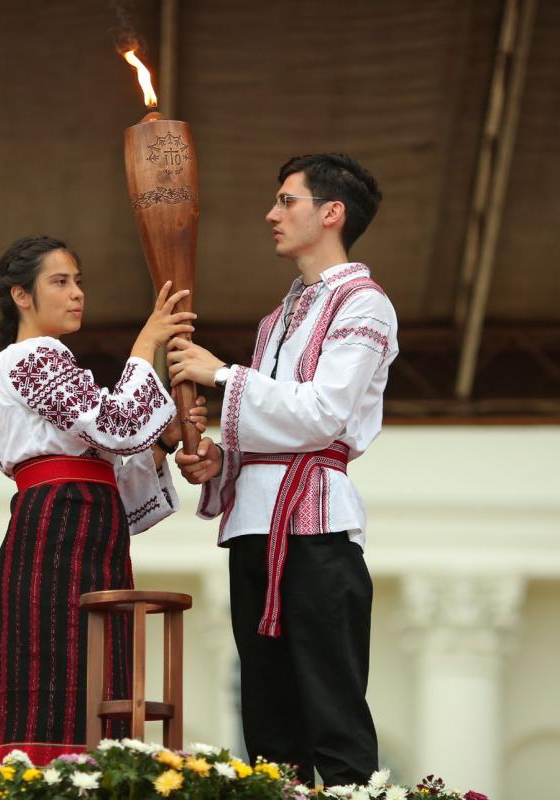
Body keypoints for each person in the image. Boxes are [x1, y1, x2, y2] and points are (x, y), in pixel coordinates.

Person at [167, 154, 399, 786]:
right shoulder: (280, 315)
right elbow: (274, 424)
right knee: (267, 721)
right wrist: (217, 460)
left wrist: (219, 374)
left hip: (316, 526)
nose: (272, 214)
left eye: (286, 201)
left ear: (332, 213)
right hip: (254, 525)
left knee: (333, 708)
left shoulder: (364, 304)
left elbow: (323, 415)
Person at [0, 235, 201, 763]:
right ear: (21, 296)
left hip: (88, 528)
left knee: (103, 670)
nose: (77, 293)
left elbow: (115, 477)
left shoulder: (56, 364)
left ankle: (104, 774)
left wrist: (164, 440)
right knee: (53, 671)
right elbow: (119, 422)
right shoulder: (29, 358)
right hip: (54, 531)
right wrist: (146, 344)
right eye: (60, 282)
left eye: (78, 281)